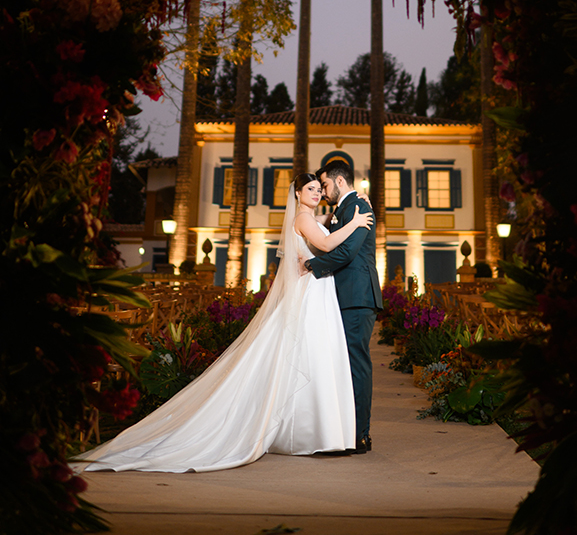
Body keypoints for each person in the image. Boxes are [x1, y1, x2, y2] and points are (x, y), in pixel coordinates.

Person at [74, 173, 373, 472]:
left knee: (310, 358)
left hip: (316, 292)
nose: (317, 193)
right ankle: (309, 431)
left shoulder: (310, 216)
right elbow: (328, 240)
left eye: (320, 189)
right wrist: (356, 223)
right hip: (311, 292)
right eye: (310, 189)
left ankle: (308, 428)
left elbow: (329, 220)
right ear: (296, 193)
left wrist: (350, 207)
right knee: (307, 357)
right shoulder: (304, 220)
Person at [300, 161, 383, 454]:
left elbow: (347, 252)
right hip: (345, 297)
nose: (322, 192)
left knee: (356, 365)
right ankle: (347, 431)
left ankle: (361, 435)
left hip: (358, 297)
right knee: (344, 365)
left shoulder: (360, 205)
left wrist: (311, 265)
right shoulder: (344, 210)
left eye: (324, 186)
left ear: (338, 181)